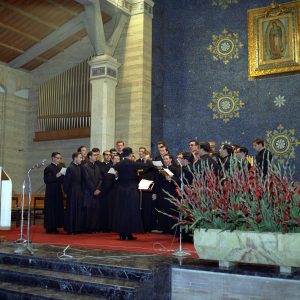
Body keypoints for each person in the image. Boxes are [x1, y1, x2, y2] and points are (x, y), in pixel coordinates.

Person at [112, 147, 147, 240]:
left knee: (121, 211)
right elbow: (146, 166)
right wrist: (147, 160)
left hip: (120, 190)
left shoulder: (118, 164)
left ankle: (122, 234)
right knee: (131, 211)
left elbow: (114, 174)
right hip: (131, 190)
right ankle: (128, 233)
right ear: (130, 154)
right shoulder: (133, 163)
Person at [156, 154, 180, 234]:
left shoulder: (175, 169)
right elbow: (158, 182)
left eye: (167, 159)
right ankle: (164, 227)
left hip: (171, 191)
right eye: (164, 159)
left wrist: (169, 177)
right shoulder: (162, 170)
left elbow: (176, 180)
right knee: (163, 209)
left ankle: (171, 228)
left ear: (170, 160)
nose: (165, 160)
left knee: (171, 209)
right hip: (163, 192)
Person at [82, 150, 103, 233]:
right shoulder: (85, 166)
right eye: (94, 155)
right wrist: (94, 190)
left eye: (96, 155)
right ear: (89, 156)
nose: (96, 157)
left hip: (96, 192)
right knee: (88, 210)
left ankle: (94, 227)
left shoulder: (97, 166)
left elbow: (101, 179)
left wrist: (98, 189)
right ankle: (88, 228)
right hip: (88, 192)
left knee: (95, 210)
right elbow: (87, 180)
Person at [43, 152, 65, 233]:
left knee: (57, 209)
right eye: (57, 158)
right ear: (53, 158)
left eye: (60, 158)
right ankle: (49, 228)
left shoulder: (59, 168)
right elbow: (47, 180)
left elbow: (61, 180)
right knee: (51, 209)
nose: (59, 159)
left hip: (58, 191)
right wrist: (57, 176)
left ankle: (55, 226)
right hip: (51, 192)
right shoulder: (48, 168)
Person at [63, 152, 84, 234]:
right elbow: (66, 182)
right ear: (75, 158)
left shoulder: (80, 167)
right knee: (72, 210)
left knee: (78, 209)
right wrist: (66, 192)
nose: (81, 159)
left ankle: (77, 228)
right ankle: (71, 229)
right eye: (80, 157)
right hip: (72, 191)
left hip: (79, 191)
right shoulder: (70, 168)